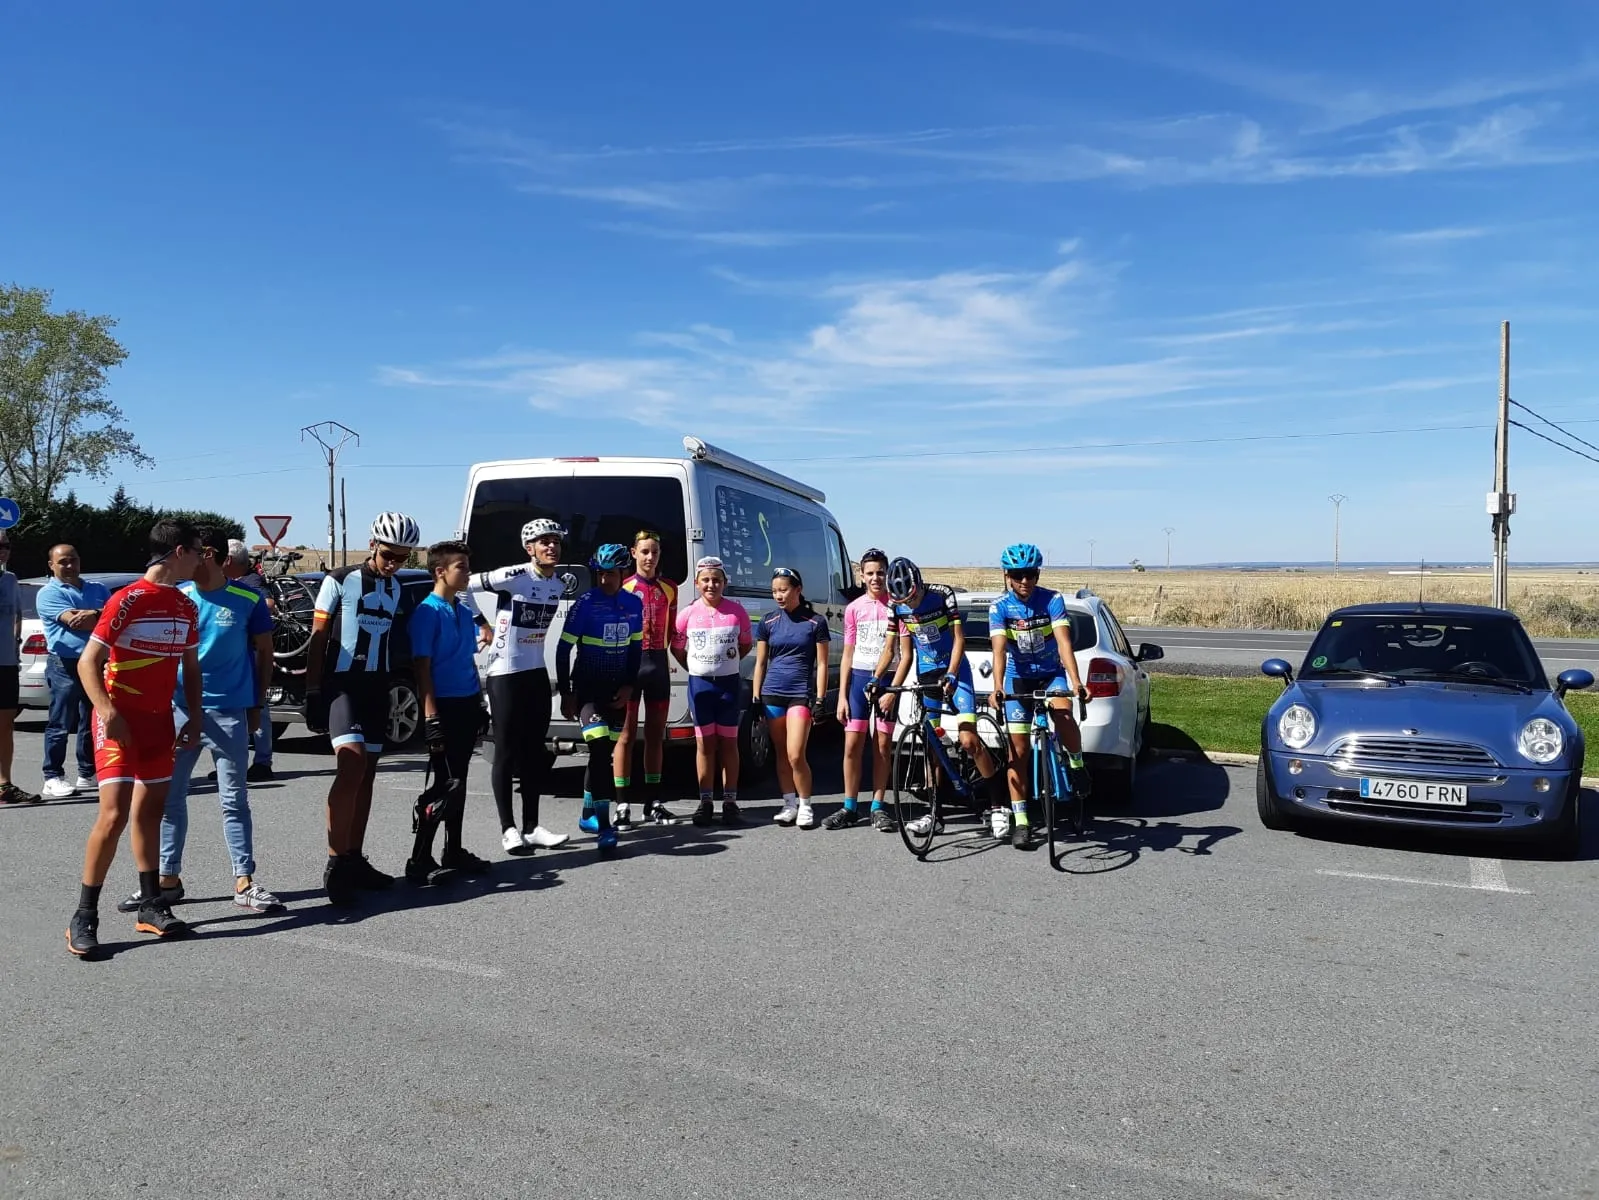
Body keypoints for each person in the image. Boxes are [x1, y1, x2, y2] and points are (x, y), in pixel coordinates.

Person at [115, 525, 284, 914]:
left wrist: (256, 705)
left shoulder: (248, 598)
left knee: (234, 799)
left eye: (193, 551)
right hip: (178, 711)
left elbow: (264, 653)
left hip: (229, 711)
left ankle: (244, 881)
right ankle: (167, 880)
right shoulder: (177, 596)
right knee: (170, 799)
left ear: (207, 553)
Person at [65, 519, 203, 959]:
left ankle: (150, 904)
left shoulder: (185, 605)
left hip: (160, 722)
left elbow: (192, 668)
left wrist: (194, 716)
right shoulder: (127, 600)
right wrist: (109, 713)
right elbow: (89, 663)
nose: (203, 558)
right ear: (178, 551)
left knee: (150, 813)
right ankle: (84, 914)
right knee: (114, 815)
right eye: (198, 550)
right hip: (118, 721)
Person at [304, 511, 422, 906]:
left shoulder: (397, 588)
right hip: (343, 684)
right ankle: (336, 861)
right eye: (389, 554)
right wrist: (313, 690)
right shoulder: (339, 580)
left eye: (403, 557)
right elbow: (319, 637)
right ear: (373, 544)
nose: (394, 563)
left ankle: (354, 857)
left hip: (377, 687)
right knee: (351, 762)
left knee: (368, 773)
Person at [872, 556, 1005, 838]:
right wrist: (878, 680)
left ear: (919, 584)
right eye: (904, 600)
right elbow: (899, 652)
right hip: (927, 675)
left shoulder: (943, 595)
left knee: (968, 740)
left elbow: (959, 639)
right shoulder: (897, 607)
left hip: (956, 671)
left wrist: (953, 673)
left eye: (913, 597)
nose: (911, 604)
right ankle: (936, 814)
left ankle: (997, 805)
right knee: (932, 746)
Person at [469, 518, 571, 857]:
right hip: (505, 672)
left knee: (534, 753)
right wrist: (480, 622)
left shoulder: (557, 584)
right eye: (544, 542)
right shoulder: (514, 576)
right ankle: (508, 829)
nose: (551, 547)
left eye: (555, 541)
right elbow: (461, 585)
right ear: (530, 549)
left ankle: (532, 826)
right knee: (507, 751)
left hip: (535, 672)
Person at [988, 543, 1092, 849]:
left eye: (1030, 574)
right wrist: (996, 686)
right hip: (1017, 679)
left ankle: (1075, 763)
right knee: (1017, 753)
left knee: (1062, 711)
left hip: (1051, 673)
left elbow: (1063, 643)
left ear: (1037, 574)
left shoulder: (1052, 599)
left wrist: (1075, 680)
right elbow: (997, 651)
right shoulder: (1000, 607)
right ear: (1007, 575)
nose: (1024, 581)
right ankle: (1021, 821)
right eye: (1018, 575)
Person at [407, 539, 492, 884]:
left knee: (459, 782)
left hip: (467, 701)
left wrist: (480, 702)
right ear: (440, 571)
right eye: (462, 567)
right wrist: (431, 717)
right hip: (443, 706)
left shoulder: (460, 610)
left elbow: (465, 659)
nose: (468, 573)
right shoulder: (428, 612)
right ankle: (419, 859)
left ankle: (452, 849)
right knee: (442, 785)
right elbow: (421, 668)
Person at [555, 543, 643, 853]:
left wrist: (631, 686)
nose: (605, 580)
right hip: (588, 689)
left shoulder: (634, 604)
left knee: (601, 757)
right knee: (598, 747)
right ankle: (605, 827)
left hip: (617, 690)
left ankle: (586, 815)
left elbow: (635, 651)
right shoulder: (585, 603)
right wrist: (567, 693)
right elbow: (563, 649)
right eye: (601, 574)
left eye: (611, 574)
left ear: (623, 574)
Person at [670, 556, 751, 828]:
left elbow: (745, 645)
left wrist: (726, 664)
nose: (711, 585)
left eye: (716, 580)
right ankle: (705, 801)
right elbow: (678, 649)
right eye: (705, 580)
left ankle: (730, 800)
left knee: (729, 743)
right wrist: (695, 667)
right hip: (700, 685)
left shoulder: (736, 611)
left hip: (728, 685)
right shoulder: (688, 614)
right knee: (705, 744)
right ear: (697, 583)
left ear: (725, 582)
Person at [753, 567, 830, 830]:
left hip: (799, 694)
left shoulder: (815, 622)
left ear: (798, 590)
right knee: (781, 754)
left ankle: (806, 804)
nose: (779, 595)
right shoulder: (768, 621)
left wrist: (820, 700)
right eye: (775, 591)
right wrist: (755, 697)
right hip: (772, 693)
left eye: (783, 590)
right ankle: (789, 803)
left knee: (796, 754)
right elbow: (761, 663)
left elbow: (821, 664)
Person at [827, 548, 896, 831]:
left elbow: (904, 652)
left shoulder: (896, 605)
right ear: (861, 575)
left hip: (887, 681)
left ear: (887, 573)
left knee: (881, 745)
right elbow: (847, 653)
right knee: (852, 745)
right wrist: (842, 695)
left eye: (880, 572)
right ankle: (850, 806)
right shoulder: (854, 608)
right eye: (870, 573)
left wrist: (893, 690)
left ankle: (878, 805)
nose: (875, 578)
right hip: (857, 679)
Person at [36, 544, 108, 801]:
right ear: (51, 565)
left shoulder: (98, 589)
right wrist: (98, 616)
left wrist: (97, 613)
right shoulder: (48, 593)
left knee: (92, 719)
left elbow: (114, 618)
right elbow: (77, 621)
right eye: (63, 561)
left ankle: (87, 773)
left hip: (96, 663)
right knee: (60, 722)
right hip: (64, 664)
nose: (70, 565)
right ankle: (52, 776)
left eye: (73, 560)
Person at [617, 529, 678, 826]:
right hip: (630, 666)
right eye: (644, 551)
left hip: (658, 665)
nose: (650, 557)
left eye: (654, 551)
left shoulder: (670, 588)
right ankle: (622, 803)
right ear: (634, 553)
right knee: (626, 736)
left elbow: (675, 634)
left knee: (655, 737)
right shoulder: (624, 588)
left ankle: (653, 801)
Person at [224, 539, 275, 781]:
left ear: (230, 561)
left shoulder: (252, 581)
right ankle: (234, 763)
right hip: (237, 654)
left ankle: (263, 762)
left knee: (258, 707)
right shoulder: (231, 583)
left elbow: (268, 604)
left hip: (253, 653)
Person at [0, 531, 37, 805]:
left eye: (7, 546)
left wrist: (15, 641)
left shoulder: (11, 580)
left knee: (5, 726)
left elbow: (16, 614)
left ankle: (4, 785)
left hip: (6, 663)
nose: (3, 550)